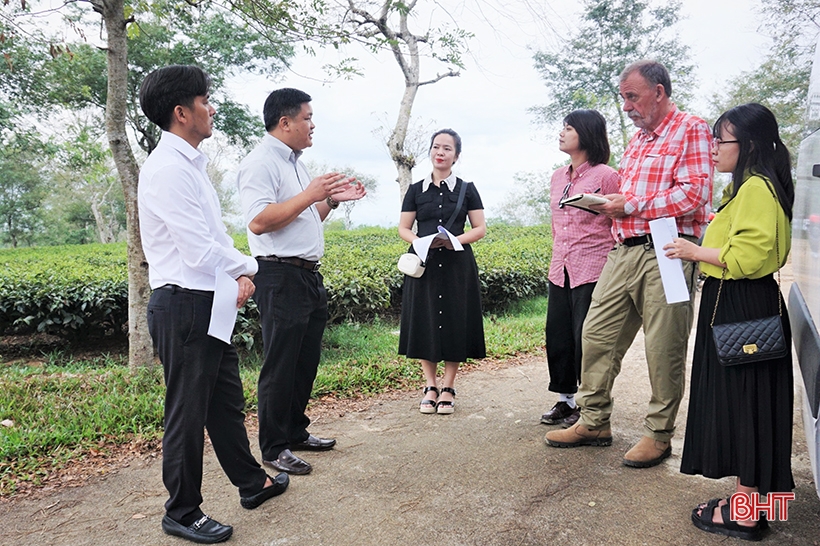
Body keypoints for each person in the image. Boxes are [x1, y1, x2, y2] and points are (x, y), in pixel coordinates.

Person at [138, 65, 289, 544]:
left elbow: (214, 237)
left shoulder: (191, 166)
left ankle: (251, 483)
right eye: (206, 100)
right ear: (182, 112)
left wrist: (237, 273)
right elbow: (198, 250)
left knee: (224, 400)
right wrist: (250, 266)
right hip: (181, 304)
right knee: (186, 409)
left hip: (207, 301)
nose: (212, 107)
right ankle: (181, 511)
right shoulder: (166, 169)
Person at [545, 60, 713, 468]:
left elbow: (695, 194)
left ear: (659, 92)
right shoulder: (638, 141)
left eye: (632, 96)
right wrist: (612, 208)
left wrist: (632, 204)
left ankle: (659, 434)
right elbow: (629, 199)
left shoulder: (691, 128)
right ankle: (594, 420)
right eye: (623, 98)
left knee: (663, 346)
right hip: (623, 249)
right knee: (597, 335)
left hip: (668, 249)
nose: (626, 106)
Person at [664, 103, 794, 541]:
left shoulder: (756, 187)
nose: (714, 148)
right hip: (741, 304)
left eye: (723, 140)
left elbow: (749, 257)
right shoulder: (747, 187)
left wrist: (693, 251)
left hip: (743, 305)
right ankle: (750, 501)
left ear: (750, 145)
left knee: (746, 405)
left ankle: (746, 514)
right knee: (750, 404)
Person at [236, 88, 366, 476]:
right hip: (278, 274)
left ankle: (294, 431)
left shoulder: (295, 163)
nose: (312, 125)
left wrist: (332, 200)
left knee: (304, 362)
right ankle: (274, 447)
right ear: (285, 121)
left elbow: (304, 216)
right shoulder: (260, 163)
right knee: (280, 364)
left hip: (307, 274)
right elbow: (259, 220)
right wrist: (311, 193)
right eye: (307, 118)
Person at [398, 128, 486, 415]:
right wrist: (420, 242)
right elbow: (403, 228)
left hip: (456, 264)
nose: (440, 152)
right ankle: (430, 385)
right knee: (423, 320)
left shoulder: (467, 189)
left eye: (447, 148)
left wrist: (454, 242)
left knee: (454, 320)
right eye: (436, 147)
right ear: (430, 152)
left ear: (456, 156)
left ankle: (448, 385)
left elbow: (480, 228)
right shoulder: (415, 190)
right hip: (423, 264)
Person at [539, 110, 619, 428]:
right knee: (558, 336)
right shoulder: (558, 176)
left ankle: (588, 407)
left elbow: (620, 221)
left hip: (593, 267)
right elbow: (556, 225)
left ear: (586, 134)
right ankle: (565, 401)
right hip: (561, 267)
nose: (562, 133)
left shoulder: (606, 176)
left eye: (568, 128)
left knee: (585, 337)